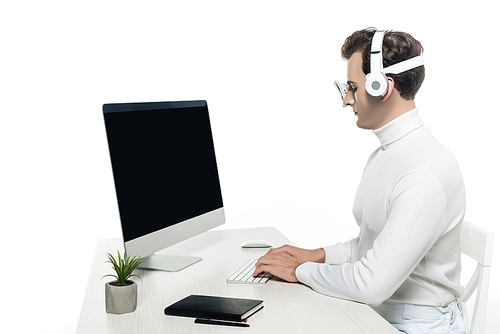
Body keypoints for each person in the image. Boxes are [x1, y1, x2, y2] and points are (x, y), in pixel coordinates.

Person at [253, 28, 467, 334]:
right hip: (383, 312)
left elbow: (370, 285)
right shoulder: (388, 154)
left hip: (414, 324)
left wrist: (299, 271)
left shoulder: (423, 173)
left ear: (382, 87)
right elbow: (375, 245)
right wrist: (317, 256)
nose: (347, 100)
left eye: (353, 87)